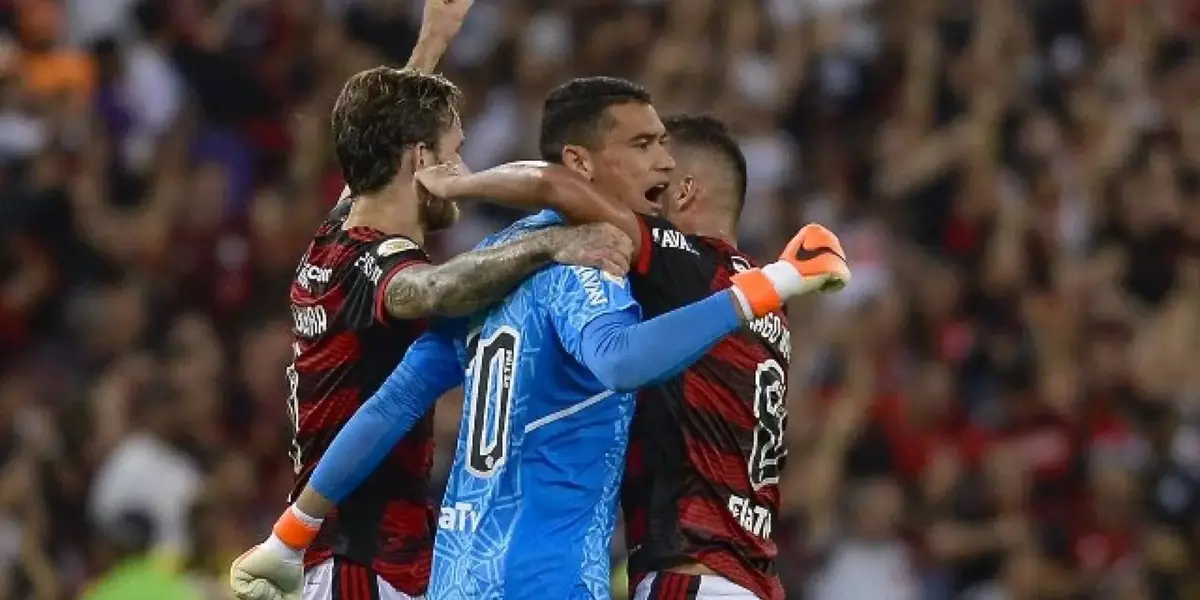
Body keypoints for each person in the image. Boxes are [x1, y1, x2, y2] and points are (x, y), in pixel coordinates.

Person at [231, 76, 849, 600]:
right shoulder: (587, 259)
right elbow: (620, 358)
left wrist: (292, 531)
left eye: (664, 145)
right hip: (546, 576)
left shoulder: (496, 260)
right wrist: (772, 284)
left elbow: (393, 403)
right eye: (643, 145)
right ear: (581, 163)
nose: (663, 162)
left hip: (455, 574)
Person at [229, 4, 647, 599]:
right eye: (453, 151)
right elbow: (436, 289)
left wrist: (429, 46)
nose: (466, 171)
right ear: (422, 161)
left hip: (362, 556)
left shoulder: (335, 237)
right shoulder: (377, 266)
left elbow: (376, 151)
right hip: (363, 562)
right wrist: (554, 242)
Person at [620, 115, 792, 600]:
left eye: (655, 187)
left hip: (692, 575)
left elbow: (587, 208)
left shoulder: (691, 267)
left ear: (683, 192)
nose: (641, 201)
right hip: (749, 580)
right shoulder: (768, 302)